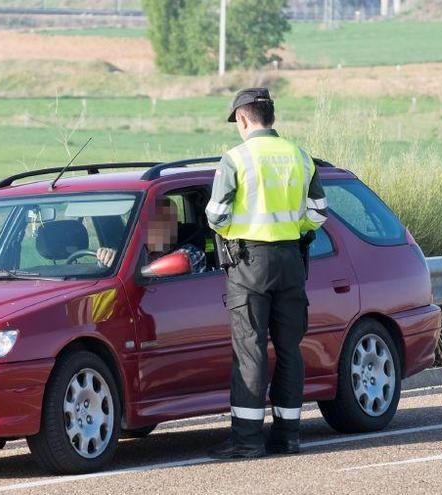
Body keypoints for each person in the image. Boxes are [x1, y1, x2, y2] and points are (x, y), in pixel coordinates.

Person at [206, 87, 328, 459]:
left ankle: (247, 441)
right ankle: (288, 437)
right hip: (291, 261)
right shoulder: (300, 157)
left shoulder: (236, 159)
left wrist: (233, 235)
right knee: (290, 350)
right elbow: (319, 212)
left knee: (251, 351)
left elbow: (215, 215)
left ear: (243, 119)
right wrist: (295, 230)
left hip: (249, 264)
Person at [97, 198, 206, 273]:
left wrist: (125, 266)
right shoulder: (132, 254)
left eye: (166, 222)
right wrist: (108, 259)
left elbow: (143, 277)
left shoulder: (189, 253)